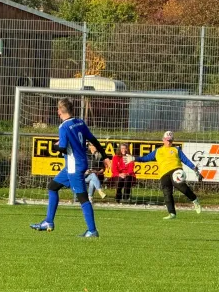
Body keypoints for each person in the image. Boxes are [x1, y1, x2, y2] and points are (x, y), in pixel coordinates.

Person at [30, 98, 111, 237]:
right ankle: (48, 221)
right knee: (52, 187)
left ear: (59, 111)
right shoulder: (80, 122)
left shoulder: (63, 127)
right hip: (77, 164)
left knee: (83, 197)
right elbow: (93, 140)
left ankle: (92, 230)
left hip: (74, 167)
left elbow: (61, 147)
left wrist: (54, 146)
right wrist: (104, 155)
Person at [124, 131, 202, 219]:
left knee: (180, 185)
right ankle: (172, 213)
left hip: (175, 170)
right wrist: (134, 158)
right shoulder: (158, 151)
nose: (169, 142)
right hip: (164, 174)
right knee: (167, 193)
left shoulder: (176, 149)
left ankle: (195, 200)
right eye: (167, 140)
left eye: (171, 140)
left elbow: (186, 160)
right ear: (163, 140)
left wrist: (195, 169)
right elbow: (145, 158)